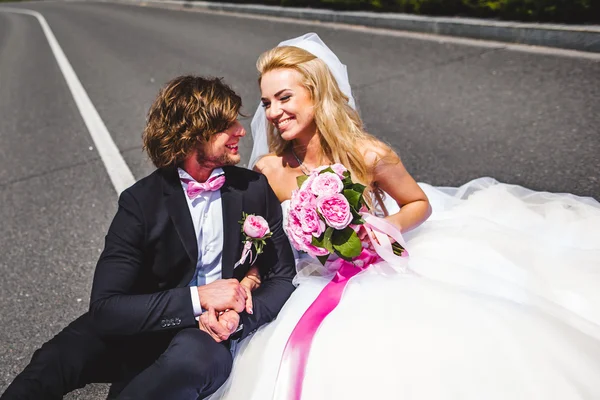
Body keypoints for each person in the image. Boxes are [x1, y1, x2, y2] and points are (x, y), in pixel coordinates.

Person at [208, 33, 600, 400]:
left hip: (376, 273)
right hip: (307, 280)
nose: (274, 112)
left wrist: (386, 226)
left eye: (284, 97)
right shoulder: (269, 169)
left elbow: (417, 203)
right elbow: (262, 240)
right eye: (266, 103)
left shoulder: (366, 154)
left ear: (315, 94)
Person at [1, 76, 296, 400]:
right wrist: (200, 298)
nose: (241, 131)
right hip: (150, 318)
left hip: (206, 340)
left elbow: (282, 276)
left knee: (185, 366)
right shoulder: (141, 203)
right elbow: (106, 308)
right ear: (193, 133)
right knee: (53, 361)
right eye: (227, 125)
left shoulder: (252, 189)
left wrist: (236, 319)